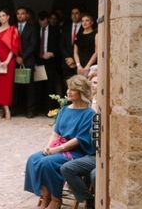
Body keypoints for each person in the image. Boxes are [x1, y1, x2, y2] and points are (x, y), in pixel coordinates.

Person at [24, 75, 95, 209]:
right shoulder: (64, 110)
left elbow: (79, 140)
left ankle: (56, 199)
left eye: (73, 89)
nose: (68, 92)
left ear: (81, 92)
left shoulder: (89, 113)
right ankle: (46, 196)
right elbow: (55, 133)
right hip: (57, 147)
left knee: (47, 163)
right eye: (68, 88)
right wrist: (48, 147)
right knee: (33, 159)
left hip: (75, 152)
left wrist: (56, 150)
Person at [0, 9, 21, 120]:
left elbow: (14, 47)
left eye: (3, 15)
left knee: (7, 86)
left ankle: (2, 110)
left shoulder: (13, 30)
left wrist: (7, 61)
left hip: (9, 61)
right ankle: (5, 109)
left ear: (8, 17)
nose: (1, 18)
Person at [16, 6, 39, 118]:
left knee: (30, 87)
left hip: (28, 60)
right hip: (15, 60)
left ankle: (30, 110)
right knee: (17, 86)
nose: (20, 15)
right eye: (18, 13)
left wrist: (22, 57)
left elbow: (33, 45)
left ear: (26, 15)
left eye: (23, 13)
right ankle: (18, 108)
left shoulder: (33, 27)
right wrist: (16, 57)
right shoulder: (13, 27)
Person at [59, 7, 82, 83]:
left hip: (80, 62)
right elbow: (62, 45)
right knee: (67, 86)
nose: (74, 15)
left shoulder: (85, 27)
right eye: (72, 13)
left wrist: (74, 60)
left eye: (76, 13)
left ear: (81, 14)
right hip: (67, 62)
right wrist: (68, 58)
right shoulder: (66, 27)